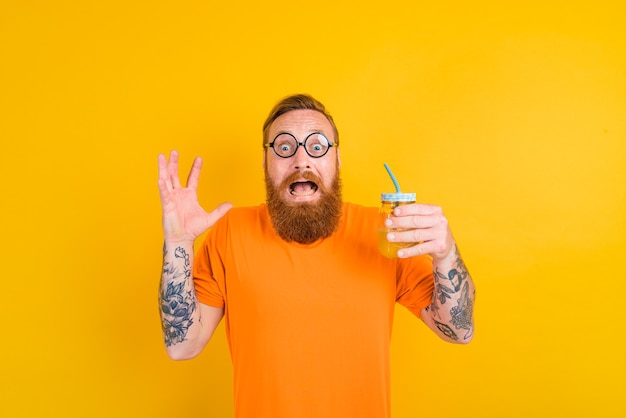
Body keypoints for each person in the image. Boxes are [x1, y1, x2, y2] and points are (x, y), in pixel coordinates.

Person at [157, 94, 476, 418]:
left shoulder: (385, 234)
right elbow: (183, 345)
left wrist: (446, 253)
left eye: (317, 146)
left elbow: (459, 330)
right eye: (284, 147)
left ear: (337, 159)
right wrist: (178, 244)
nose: (301, 160)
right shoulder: (230, 233)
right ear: (266, 162)